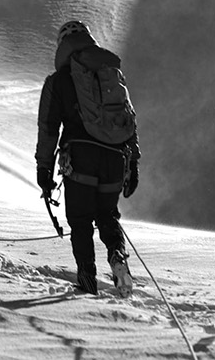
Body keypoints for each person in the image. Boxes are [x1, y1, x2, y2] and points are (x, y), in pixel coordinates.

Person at [35, 18, 139, 296]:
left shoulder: (59, 81)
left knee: (81, 221)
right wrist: (134, 163)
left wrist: (44, 169)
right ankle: (117, 255)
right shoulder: (112, 75)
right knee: (107, 215)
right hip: (116, 159)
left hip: (80, 158)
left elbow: (48, 128)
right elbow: (129, 120)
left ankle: (87, 281)